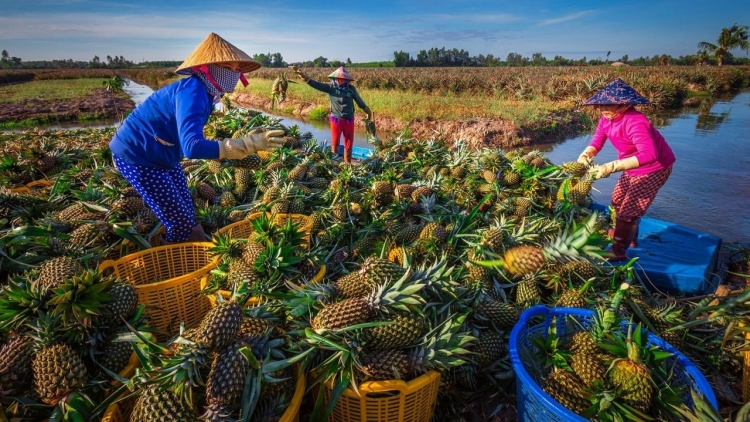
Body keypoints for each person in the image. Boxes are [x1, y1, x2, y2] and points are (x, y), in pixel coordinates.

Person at [109, 32, 285, 244]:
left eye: (238, 69)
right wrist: (246, 145)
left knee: (187, 209)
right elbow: (192, 146)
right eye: (229, 68)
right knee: (181, 222)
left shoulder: (206, 92)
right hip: (137, 156)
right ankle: (176, 260)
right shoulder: (193, 92)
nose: (235, 74)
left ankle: (187, 241)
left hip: (163, 153)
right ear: (208, 68)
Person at [576, 78, 676, 261]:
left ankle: (618, 251)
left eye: (609, 104)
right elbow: (597, 142)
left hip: (655, 167)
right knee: (617, 200)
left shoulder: (636, 122)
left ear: (623, 104)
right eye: (601, 103)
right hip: (632, 165)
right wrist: (585, 156)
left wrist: (611, 166)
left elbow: (649, 155)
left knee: (630, 209)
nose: (603, 107)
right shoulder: (606, 120)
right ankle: (628, 237)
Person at [292, 65, 371, 163]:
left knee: (349, 143)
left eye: (343, 79)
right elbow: (315, 84)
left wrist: (368, 112)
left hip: (348, 120)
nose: (340, 81)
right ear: (335, 78)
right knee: (335, 142)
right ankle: (335, 163)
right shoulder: (330, 87)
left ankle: (348, 164)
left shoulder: (351, 89)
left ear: (347, 80)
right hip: (336, 120)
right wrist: (302, 75)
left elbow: (360, 102)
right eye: (338, 78)